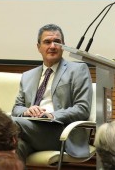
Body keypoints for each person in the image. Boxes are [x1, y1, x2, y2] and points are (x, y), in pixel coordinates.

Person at [11, 23, 93, 162]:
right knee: (13, 151)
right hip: (30, 130)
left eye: (57, 42)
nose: (53, 46)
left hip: (60, 131)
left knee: (5, 123)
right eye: (47, 42)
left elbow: (82, 109)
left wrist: (51, 115)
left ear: (63, 46)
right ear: (38, 47)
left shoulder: (78, 70)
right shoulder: (28, 76)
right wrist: (27, 111)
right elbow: (16, 108)